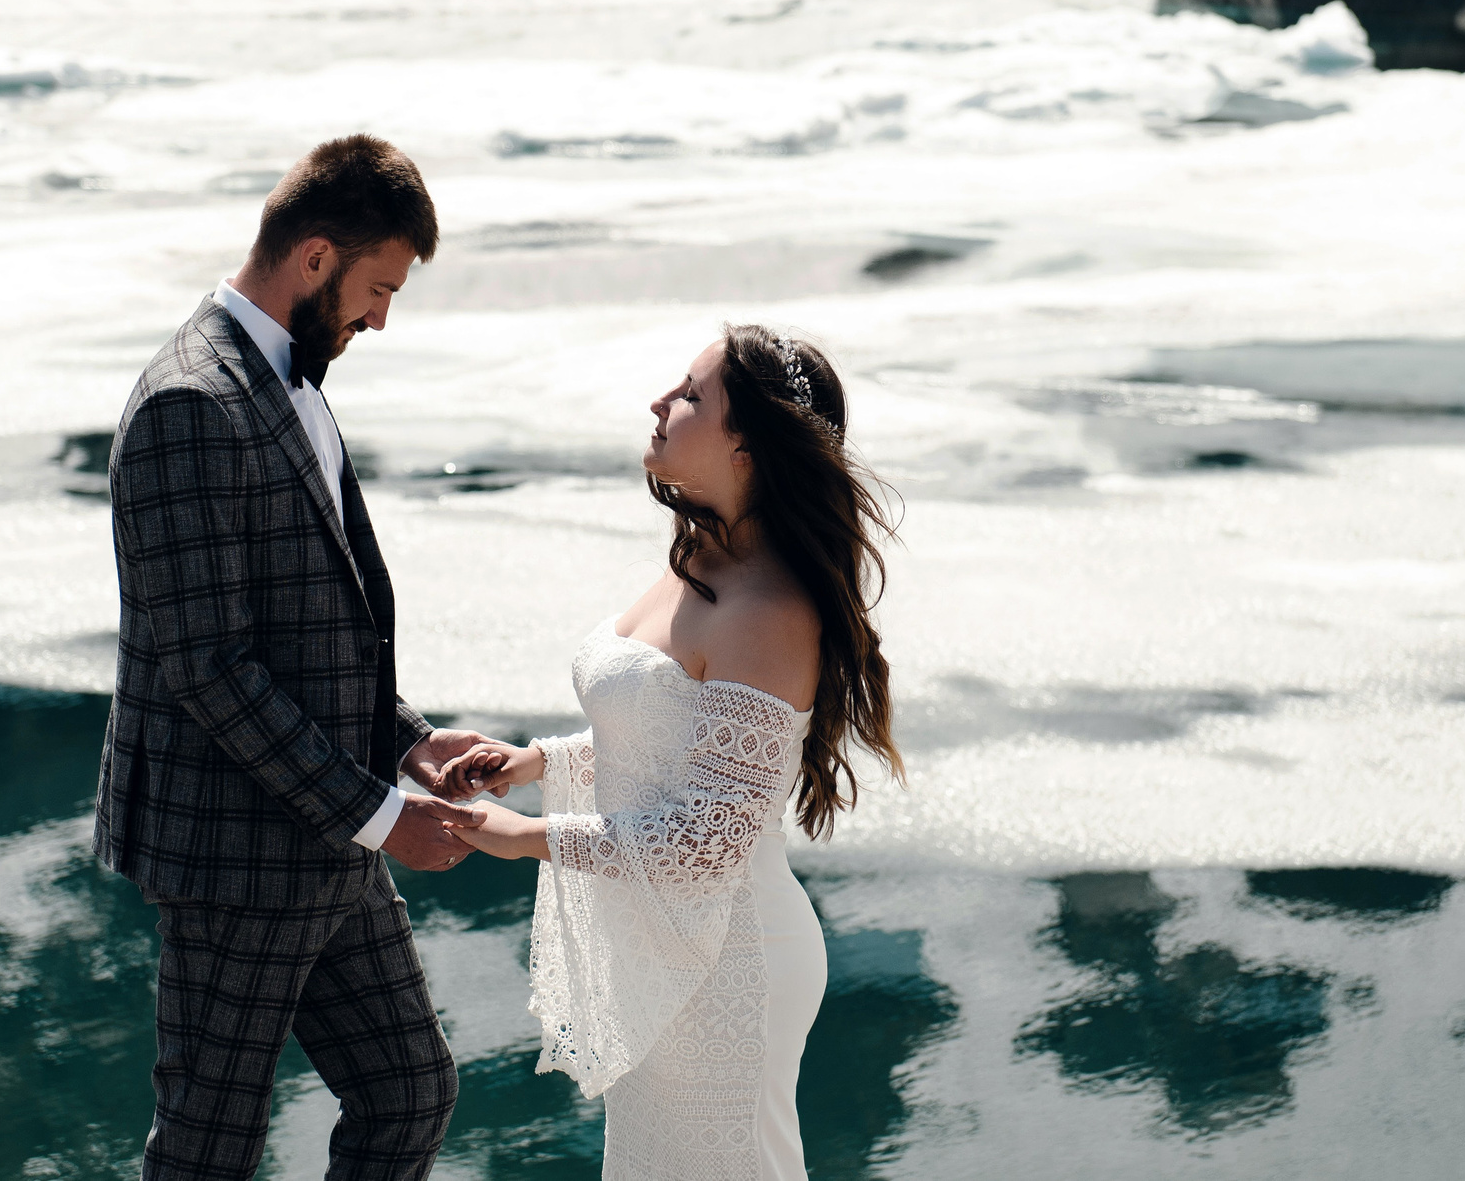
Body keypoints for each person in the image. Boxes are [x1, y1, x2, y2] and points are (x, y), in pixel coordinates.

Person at [96, 133, 508, 1181]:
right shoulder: (189, 403)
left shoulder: (294, 379)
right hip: (236, 857)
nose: (380, 317)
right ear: (316, 257)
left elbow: (322, 625)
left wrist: (408, 746)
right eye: (377, 288)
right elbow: (210, 667)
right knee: (206, 1151)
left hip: (328, 840)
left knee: (408, 1091)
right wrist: (383, 818)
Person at [443, 326, 902, 1181]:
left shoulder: (768, 606)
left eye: (691, 394)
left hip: (732, 961)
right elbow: (663, 732)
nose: (661, 403)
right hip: (666, 952)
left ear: (750, 443)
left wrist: (524, 835)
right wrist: (538, 761)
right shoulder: (699, 554)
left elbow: (706, 841)